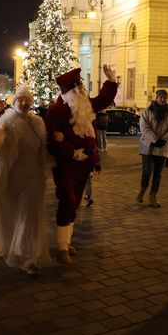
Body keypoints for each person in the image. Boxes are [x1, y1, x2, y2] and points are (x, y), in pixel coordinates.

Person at [45, 66, 118, 264]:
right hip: (66, 164)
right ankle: (61, 248)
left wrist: (111, 82)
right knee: (67, 199)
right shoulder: (57, 110)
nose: (81, 91)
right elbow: (52, 139)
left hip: (86, 162)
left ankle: (65, 242)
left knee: (75, 202)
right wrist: (71, 151)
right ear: (68, 92)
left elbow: (103, 100)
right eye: (77, 88)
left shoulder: (86, 105)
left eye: (82, 87)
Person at [0, 85, 51, 275]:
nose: (25, 103)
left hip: (33, 177)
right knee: (9, 214)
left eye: (28, 100)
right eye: (21, 100)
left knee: (29, 216)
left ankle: (28, 256)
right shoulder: (7, 122)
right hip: (12, 177)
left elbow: (44, 149)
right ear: (15, 101)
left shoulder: (37, 123)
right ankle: (11, 245)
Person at [136, 89, 168, 208]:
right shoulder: (147, 111)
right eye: (161, 97)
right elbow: (144, 127)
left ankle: (153, 196)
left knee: (158, 174)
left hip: (162, 148)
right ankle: (142, 190)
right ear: (157, 98)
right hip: (148, 146)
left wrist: (163, 140)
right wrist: (155, 139)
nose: (163, 99)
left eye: (165, 97)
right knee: (147, 171)